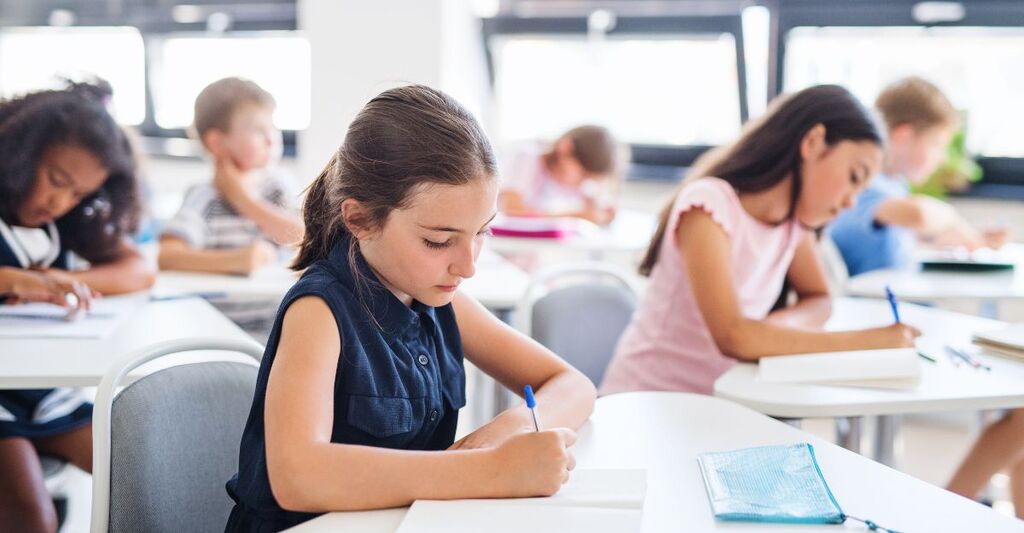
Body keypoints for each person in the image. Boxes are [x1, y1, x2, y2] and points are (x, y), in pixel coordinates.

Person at [224, 85, 596, 532]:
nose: (468, 265)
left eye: (482, 232)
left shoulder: (441, 296)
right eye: (438, 241)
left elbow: (573, 385)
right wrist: (491, 470)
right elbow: (297, 477)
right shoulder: (319, 311)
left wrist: (507, 433)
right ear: (359, 219)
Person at [600, 85, 920, 397]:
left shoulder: (793, 225)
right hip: (647, 402)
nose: (852, 202)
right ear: (813, 142)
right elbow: (733, 338)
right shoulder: (710, 205)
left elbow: (819, 298)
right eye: (854, 177)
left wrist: (769, 331)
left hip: (723, 401)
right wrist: (868, 341)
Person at [0, 81, 154, 532]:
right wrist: (13, 280)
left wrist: (61, 281)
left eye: (78, 194)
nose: (59, 202)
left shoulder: (60, 224)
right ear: (19, 154)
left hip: (46, 393)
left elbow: (138, 268)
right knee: (33, 518)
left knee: (144, 477)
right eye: (56, 181)